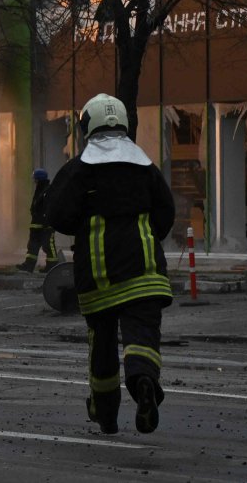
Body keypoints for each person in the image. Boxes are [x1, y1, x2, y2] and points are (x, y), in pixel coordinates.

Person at [47, 93, 174, 435]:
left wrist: (83, 224)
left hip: (99, 277)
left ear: (86, 125)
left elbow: (57, 214)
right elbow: (166, 215)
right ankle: (143, 380)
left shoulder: (78, 170)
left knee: (101, 344)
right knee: (142, 333)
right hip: (145, 271)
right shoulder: (146, 167)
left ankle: (105, 414)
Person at [17, 168, 59, 272]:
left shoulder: (48, 190)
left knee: (48, 246)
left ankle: (52, 267)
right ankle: (28, 266)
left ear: (39, 179)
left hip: (46, 225)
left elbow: (49, 207)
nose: (34, 181)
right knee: (32, 246)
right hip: (36, 225)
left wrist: (47, 223)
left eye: (35, 179)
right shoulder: (39, 190)